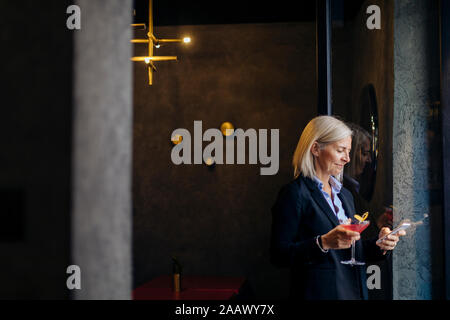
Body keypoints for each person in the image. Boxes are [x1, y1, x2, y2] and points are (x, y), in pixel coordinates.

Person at [270, 115, 405, 300]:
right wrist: (322, 243)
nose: (347, 159)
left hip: (353, 292)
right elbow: (279, 255)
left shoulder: (345, 195)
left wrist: (379, 244)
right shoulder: (295, 194)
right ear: (316, 148)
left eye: (348, 151)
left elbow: (349, 250)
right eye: (341, 150)